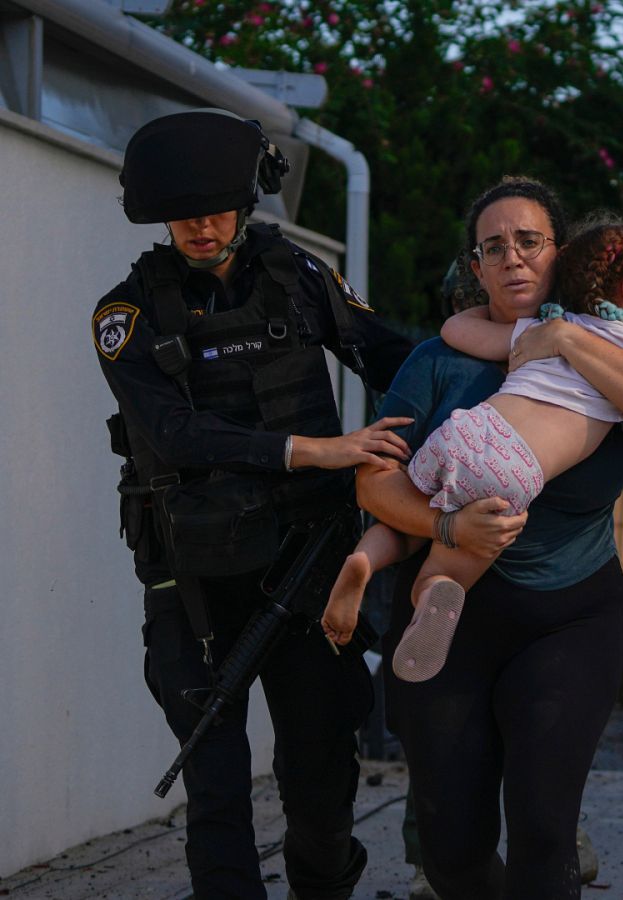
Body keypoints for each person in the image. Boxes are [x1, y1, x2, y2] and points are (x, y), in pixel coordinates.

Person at [94, 109, 415, 899]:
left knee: (319, 778)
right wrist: (319, 450)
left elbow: (390, 358)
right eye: (184, 212)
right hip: (194, 581)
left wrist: (499, 364)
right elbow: (174, 436)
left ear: (248, 200)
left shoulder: (298, 277)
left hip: (307, 568)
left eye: (217, 207)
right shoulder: (124, 314)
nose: (201, 226)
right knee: (217, 784)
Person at [355, 177, 623, 898]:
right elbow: (375, 484)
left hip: (569, 617)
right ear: (475, 268)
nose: (512, 258)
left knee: (545, 830)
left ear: (561, 254)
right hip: (454, 625)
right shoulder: (436, 363)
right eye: (493, 247)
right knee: (450, 850)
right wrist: (448, 524)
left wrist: (565, 335)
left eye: (529, 242)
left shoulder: (605, 345)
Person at [321, 215, 623, 682]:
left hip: (467, 431)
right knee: (451, 564)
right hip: (514, 469)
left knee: (408, 515)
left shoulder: (549, 327)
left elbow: (456, 331)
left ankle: (365, 560)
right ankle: (436, 589)